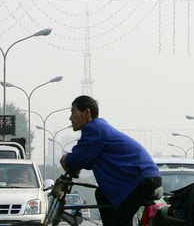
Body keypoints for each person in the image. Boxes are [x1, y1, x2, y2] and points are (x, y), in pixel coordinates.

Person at [60, 95, 161, 226]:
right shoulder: (97, 129)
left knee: (119, 222)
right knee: (102, 193)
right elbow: (87, 161)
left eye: (73, 111)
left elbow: (77, 159)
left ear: (87, 113)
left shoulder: (95, 129)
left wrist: (66, 159)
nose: (70, 117)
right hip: (140, 179)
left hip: (143, 180)